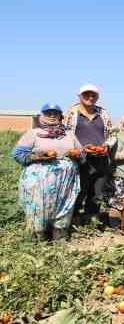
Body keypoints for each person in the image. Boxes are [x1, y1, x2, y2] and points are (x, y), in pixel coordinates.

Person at [12, 103, 84, 241]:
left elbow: (81, 152)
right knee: (39, 206)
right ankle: (38, 237)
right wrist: (39, 156)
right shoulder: (33, 133)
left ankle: (60, 235)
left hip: (65, 180)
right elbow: (18, 154)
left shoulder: (68, 134)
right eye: (48, 113)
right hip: (39, 180)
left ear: (60, 116)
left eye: (55, 113)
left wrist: (77, 154)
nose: (52, 116)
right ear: (42, 115)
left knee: (64, 206)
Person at [63, 84, 115, 219]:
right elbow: (64, 135)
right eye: (86, 95)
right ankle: (73, 218)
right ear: (79, 96)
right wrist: (79, 149)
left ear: (97, 97)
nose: (90, 97)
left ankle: (90, 219)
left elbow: (111, 135)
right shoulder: (71, 113)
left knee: (97, 191)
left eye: (93, 95)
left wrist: (107, 146)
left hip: (100, 158)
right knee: (78, 190)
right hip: (80, 159)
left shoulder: (103, 113)